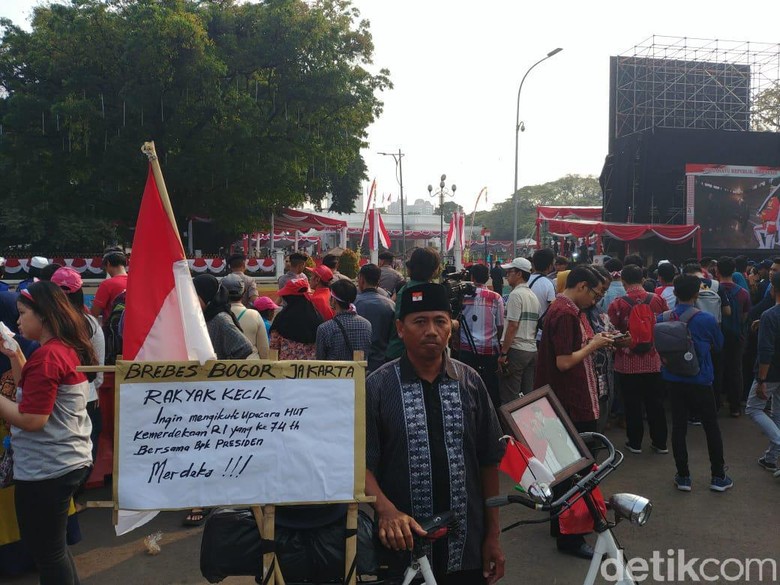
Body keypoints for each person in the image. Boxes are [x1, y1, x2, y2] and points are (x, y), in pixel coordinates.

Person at [365, 283, 505, 584]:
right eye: (420, 322)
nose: (431, 330)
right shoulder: (377, 387)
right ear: (401, 329)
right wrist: (386, 510)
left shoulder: (470, 381)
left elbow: (488, 460)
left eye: (440, 321)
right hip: (402, 545)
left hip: (467, 547)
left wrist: (493, 535)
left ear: (450, 328)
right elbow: (361, 464)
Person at [0, 281, 97, 585]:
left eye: (22, 313)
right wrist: (15, 356)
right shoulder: (58, 351)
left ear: (43, 315)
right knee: (53, 550)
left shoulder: (48, 357)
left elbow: (32, 419)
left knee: (48, 553)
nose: (17, 321)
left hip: (48, 468)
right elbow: (30, 394)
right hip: (63, 461)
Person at [535, 266, 614, 559]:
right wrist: (593, 345)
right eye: (594, 293)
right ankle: (570, 536)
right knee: (573, 471)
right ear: (581, 286)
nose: (595, 300)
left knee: (566, 470)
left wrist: (594, 341)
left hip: (567, 399)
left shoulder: (564, 308)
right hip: (570, 401)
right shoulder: (566, 313)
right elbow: (565, 362)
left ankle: (566, 525)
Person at [659, 275, 732, 492]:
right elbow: (719, 345)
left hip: (673, 379)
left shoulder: (662, 318)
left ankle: (683, 477)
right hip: (701, 379)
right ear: (696, 294)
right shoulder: (706, 319)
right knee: (711, 427)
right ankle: (718, 477)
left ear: (675, 293)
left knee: (679, 428)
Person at [50, 267, 105, 499]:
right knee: (83, 453)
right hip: (88, 398)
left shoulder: (50, 326)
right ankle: (74, 501)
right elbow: (99, 371)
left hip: (56, 403)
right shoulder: (91, 323)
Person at [608, 265, 668, 454]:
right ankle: (660, 443)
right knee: (655, 402)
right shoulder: (657, 300)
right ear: (643, 279)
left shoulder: (618, 303)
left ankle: (635, 443)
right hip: (653, 359)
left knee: (632, 403)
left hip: (627, 362)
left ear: (623, 282)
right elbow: (666, 326)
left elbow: (610, 330)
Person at [745, 270, 780, 473]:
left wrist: (761, 379)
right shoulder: (767, 317)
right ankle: (770, 458)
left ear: (773, 289)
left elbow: (766, 351)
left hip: (771, 372)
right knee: (777, 413)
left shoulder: (770, 316)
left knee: (753, 408)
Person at [457, 264, 504, 410]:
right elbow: (500, 325)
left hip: (466, 348)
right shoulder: (496, 297)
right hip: (490, 350)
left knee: (466, 385)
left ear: (471, 277)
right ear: (488, 277)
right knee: (490, 386)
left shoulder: (462, 296)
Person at [385, 247, 441, 361]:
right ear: (433, 269)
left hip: (396, 351)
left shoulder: (407, 288)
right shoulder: (428, 291)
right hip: (406, 355)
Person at [497, 258, 539, 404]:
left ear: (519, 273)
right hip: (531, 350)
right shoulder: (533, 296)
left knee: (510, 398)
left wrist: (503, 353)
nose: (507, 275)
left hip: (516, 350)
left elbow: (513, 325)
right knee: (527, 398)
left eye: (509, 272)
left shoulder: (515, 295)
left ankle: (508, 427)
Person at [715, 256, 751, 417]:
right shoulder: (743, 293)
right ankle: (735, 407)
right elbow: (745, 317)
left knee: (717, 369)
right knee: (736, 370)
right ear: (735, 270)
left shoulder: (712, 290)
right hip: (737, 336)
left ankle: (715, 404)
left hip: (717, 336)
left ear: (717, 271)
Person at [192, 274, 253, 361]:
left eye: (196, 296)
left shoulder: (220, 319)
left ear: (206, 296)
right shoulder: (204, 316)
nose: (192, 301)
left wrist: (224, 368)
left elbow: (244, 347)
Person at [315, 280, 372, 361]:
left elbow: (320, 360)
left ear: (334, 300)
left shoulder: (324, 328)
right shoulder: (366, 325)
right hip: (358, 372)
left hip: (333, 373)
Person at [355, 264, 396, 373]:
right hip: (382, 364)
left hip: (357, 362)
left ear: (361, 280)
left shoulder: (354, 304)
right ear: (378, 281)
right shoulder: (391, 305)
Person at [269, 278, 323, 360]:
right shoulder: (317, 317)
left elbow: (273, 347)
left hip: (285, 370)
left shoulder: (281, 318)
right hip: (310, 369)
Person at [222, 274, 269, 359]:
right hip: (252, 368)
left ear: (222, 293)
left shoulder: (216, 317)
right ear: (244, 292)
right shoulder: (254, 315)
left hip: (224, 368)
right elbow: (264, 350)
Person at [90, 248, 128, 323]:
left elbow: (93, 314)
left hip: (113, 332)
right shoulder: (136, 283)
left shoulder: (107, 285)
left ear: (108, 263)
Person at [528, 249, 557, 337]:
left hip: (523, 330)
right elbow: (552, 308)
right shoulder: (549, 283)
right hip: (540, 333)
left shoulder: (524, 280)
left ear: (533, 264)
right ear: (550, 266)